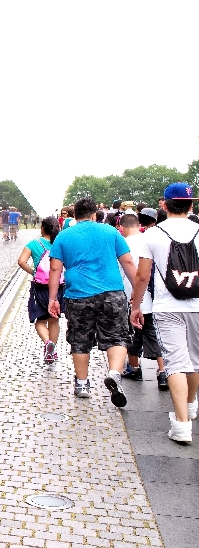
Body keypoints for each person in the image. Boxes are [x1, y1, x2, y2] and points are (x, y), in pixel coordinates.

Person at [48, 197, 138, 405]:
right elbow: (127, 261)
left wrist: (53, 298)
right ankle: (114, 373)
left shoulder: (63, 236)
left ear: (74, 216)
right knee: (117, 337)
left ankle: (82, 384)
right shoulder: (111, 232)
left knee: (80, 339)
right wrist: (138, 291)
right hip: (112, 292)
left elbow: (55, 268)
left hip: (78, 294)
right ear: (95, 214)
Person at [131, 184, 199, 443]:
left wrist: (137, 306)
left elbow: (142, 275)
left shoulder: (152, 235)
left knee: (175, 363)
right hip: (197, 303)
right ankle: (191, 405)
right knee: (195, 359)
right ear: (191, 205)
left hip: (166, 305)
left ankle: (181, 424)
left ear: (164, 205)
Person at [119, 210, 167, 390]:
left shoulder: (122, 243)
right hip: (154, 298)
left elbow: (121, 272)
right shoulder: (150, 240)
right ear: (138, 226)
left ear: (121, 228)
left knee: (131, 335)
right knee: (155, 336)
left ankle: (134, 368)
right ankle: (162, 373)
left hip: (131, 296)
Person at [18, 216, 63, 365]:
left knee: (40, 321)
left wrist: (33, 272)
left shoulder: (34, 243)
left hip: (40, 287)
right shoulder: (60, 243)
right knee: (54, 320)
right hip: (58, 286)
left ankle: (47, 342)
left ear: (42, 228)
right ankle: (53, 350)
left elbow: (21, 261)